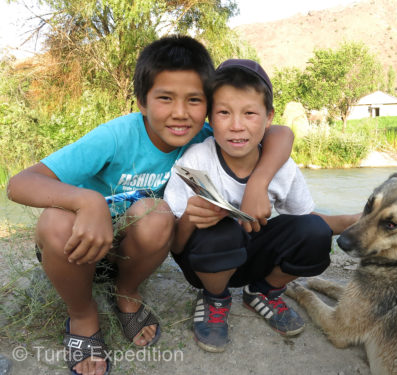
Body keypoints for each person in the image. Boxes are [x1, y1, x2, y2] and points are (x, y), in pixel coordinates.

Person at [6, 37, 294, 375]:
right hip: (76, 248)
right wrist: (87, 201)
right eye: (165, 99)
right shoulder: (116, 137)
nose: (180, 113)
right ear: (142, 102)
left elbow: (280, 133)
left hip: (128, 253)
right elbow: (20, 183)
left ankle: (126, 292)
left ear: (208, 106)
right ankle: (82, 315)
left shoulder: (204, 135)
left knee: (157, 214)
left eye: (194, 100)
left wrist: (258, 184)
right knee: (55, 221)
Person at [164, 59, 360, 353]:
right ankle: (216, 299)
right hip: (206, 263)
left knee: (316, 233)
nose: (236, 125)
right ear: (210, 118)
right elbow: (176, 246)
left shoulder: (282, 166)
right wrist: (193, 218)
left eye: (250, 113)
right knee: (222, 231)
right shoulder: (196, 161)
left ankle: (263, 292)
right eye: (224, 113)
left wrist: (351, 221)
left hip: (255, 259)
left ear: (268, 119)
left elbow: (304, 220)